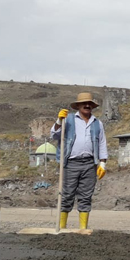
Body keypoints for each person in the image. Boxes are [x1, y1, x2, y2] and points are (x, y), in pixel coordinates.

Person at [50, 92, 108, 230]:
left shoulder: (97, 123)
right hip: (70, 163)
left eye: (89, 104)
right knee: (66, 195)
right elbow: (54, 135)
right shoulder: (68, 120)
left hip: (89, 164)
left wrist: (102, 163)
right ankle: (62, 227)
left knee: (86, 196)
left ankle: (83, 229)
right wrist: (59, 121)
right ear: (78, 106)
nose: (87, 106)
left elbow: (102, 144)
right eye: (84, 104)